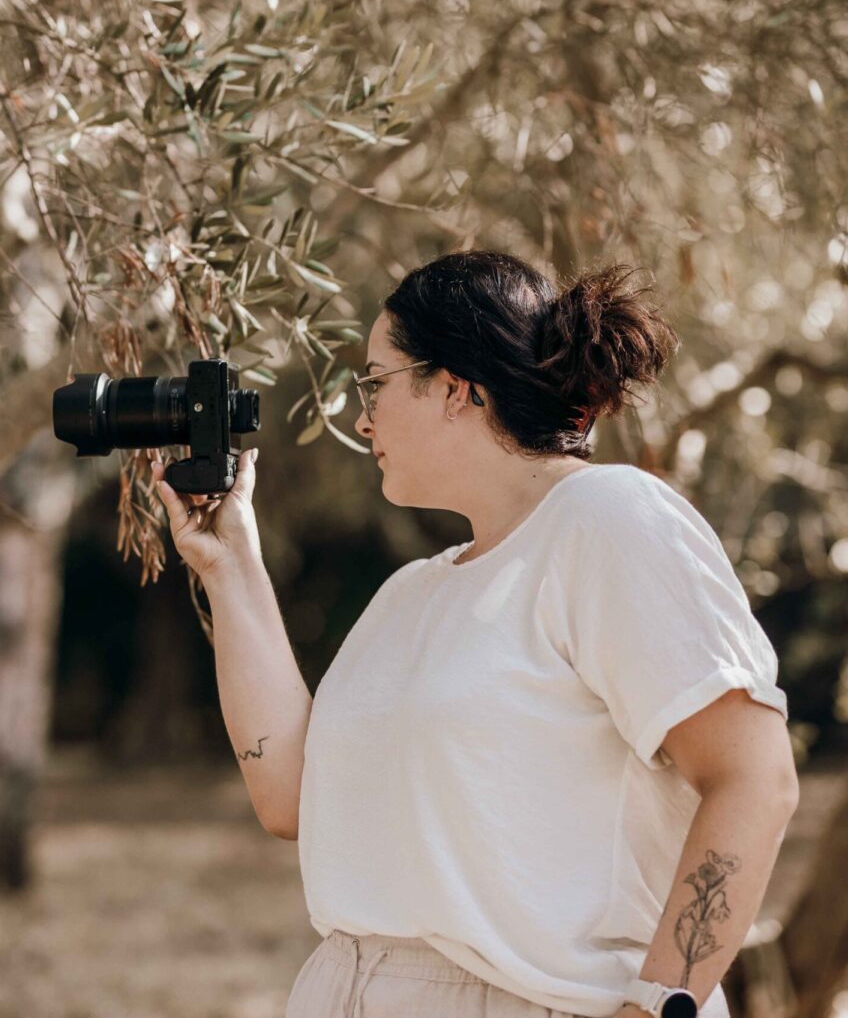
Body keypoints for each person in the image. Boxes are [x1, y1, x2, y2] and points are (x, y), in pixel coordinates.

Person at [151, 250, 798, 1018]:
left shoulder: (609, 518)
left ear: (455, 388)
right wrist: (231, 568)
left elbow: (755, 777)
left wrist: (662, 1005)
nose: (362, 418)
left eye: (375, 383)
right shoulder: (411, 593)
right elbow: (290, 797)